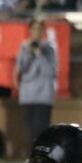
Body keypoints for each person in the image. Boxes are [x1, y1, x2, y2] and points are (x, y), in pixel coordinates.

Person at [13, 19, 57, 147]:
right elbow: (22, 68)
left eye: (39, 29)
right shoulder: (24, 47)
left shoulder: (49, 48)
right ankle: (30, 158)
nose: (36, 32)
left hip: (43, 95)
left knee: (41, 130)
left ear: (43, 31)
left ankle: (41, 157)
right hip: (28, 95)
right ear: (30, 31)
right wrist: (28, 53)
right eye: (34, 29)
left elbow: (50, 71)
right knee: (29, 130)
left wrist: (39, 54)